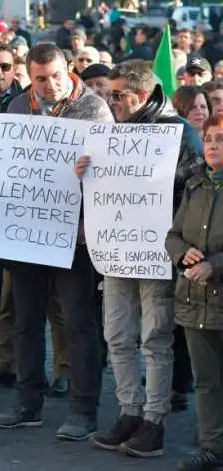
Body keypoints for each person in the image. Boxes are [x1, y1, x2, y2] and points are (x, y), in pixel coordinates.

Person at [76, 60, 204, 458]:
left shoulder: (178, 133)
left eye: (117, 94)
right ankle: (129, 412)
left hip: (156, 254)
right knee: (117, 335)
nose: (109, 101)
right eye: (109, 93)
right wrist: (87, 171)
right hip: (118, 251)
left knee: (155, 339)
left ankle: (154, 420)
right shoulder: (115, 133)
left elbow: (194, 192)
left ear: (144, 94)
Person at [0, 43, 113, 441]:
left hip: (75, 236)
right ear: (29, 76)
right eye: (41, 78)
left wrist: (91, 168)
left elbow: (113, 171)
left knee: (79, 323)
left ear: (68, 70)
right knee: (25, 322)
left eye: (56, 75)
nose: (50, 84)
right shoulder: (15, 108)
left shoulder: (93, 108)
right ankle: (27, 403)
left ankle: (83, 409)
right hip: (28, 234)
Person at [166, 113, 223, 471]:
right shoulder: (195, 185)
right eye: (210, 138)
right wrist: (181, 253)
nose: (214, 145)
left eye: (222, 139)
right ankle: (212, 447)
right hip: (195, 300)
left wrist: (215, 265)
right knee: (206, 381)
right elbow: (173, 235)